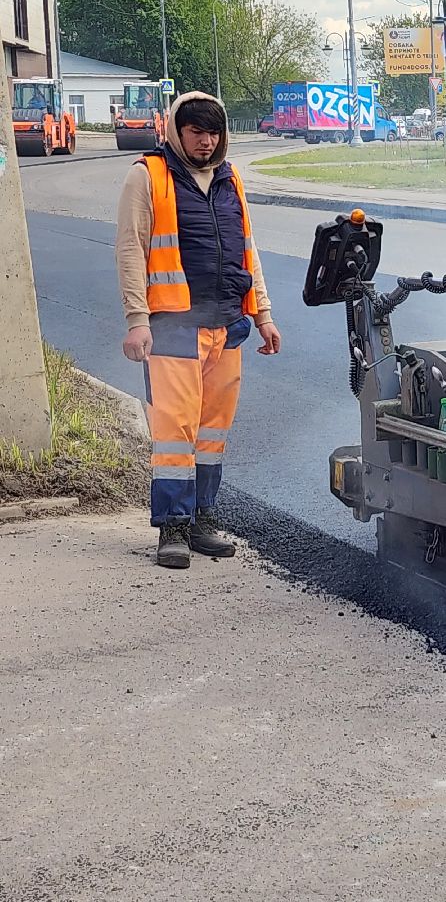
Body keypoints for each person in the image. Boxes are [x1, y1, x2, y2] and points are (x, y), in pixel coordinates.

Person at [115, 91, 282, 569]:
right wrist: (137, 321)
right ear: (175, 131)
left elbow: (248, 251)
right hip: (172, 329)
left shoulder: (231, 180)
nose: (206, 142)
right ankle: (173, 527)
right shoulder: (148, 176)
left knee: (211, 434)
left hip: (226, 326)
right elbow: (130, 251)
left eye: (213, 133)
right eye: (196, 132)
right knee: (174, 432)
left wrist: (262, 315)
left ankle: (204, 519)